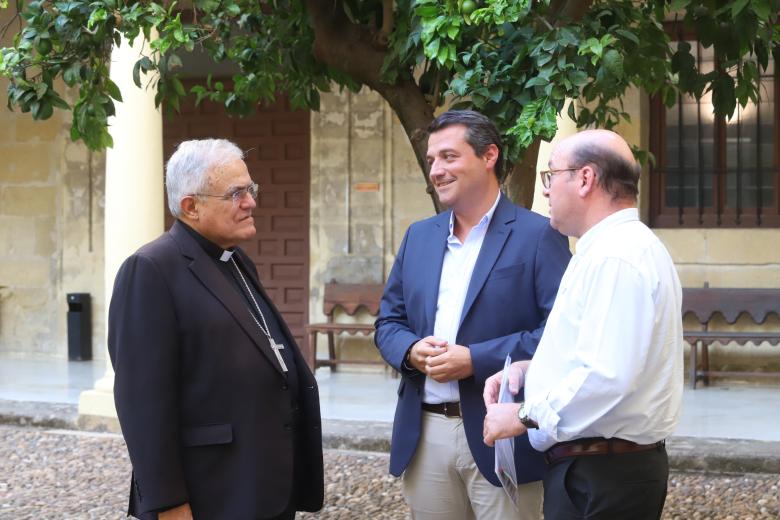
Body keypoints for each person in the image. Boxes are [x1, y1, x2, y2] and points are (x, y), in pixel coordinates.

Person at [108, 139, 323, 520]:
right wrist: (169, 504)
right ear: (191, 206)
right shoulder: (151, 270)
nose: (251, 202)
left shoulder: (236, 260)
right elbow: (142, 404)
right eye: (236, 193)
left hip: (260, 485)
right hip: (212, 493)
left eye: (250, 189)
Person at [374, 110, 571, 519]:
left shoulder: (540, 235)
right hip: (424, 434)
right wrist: (412, 351)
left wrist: (474, 360)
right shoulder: (419, 236)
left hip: (503, 434)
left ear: (489, 156)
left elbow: (560, 335)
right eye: (431, 160)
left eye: (448, 156)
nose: (437, 170)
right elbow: (388, 323)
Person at [482, 129, 683, 520]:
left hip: (604, 473)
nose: (545, 191)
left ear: (585, 179)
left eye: (551, 175)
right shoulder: (608, 249)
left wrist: (523, 415)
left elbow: (606, 376)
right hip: (597, 469)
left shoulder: (617, 257)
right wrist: (532, 371)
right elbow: (597, 353)